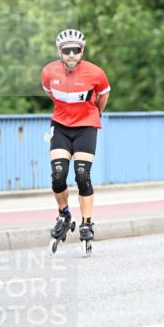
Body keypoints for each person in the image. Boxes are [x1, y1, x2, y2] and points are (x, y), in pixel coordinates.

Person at [42, 29, 110, 255]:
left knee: (82, 175)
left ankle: (86, 223)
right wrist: (65, 113)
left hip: (86, 127)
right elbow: (51, 94)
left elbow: (103, 97)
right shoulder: (49, 72)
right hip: (61, 126)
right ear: (59, 51)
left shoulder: (96, 73)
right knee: (58, 174)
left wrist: (92, 116)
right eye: (66, 50)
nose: (71, 54)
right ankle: (63, 214)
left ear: (82, 51)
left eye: (76, 50)